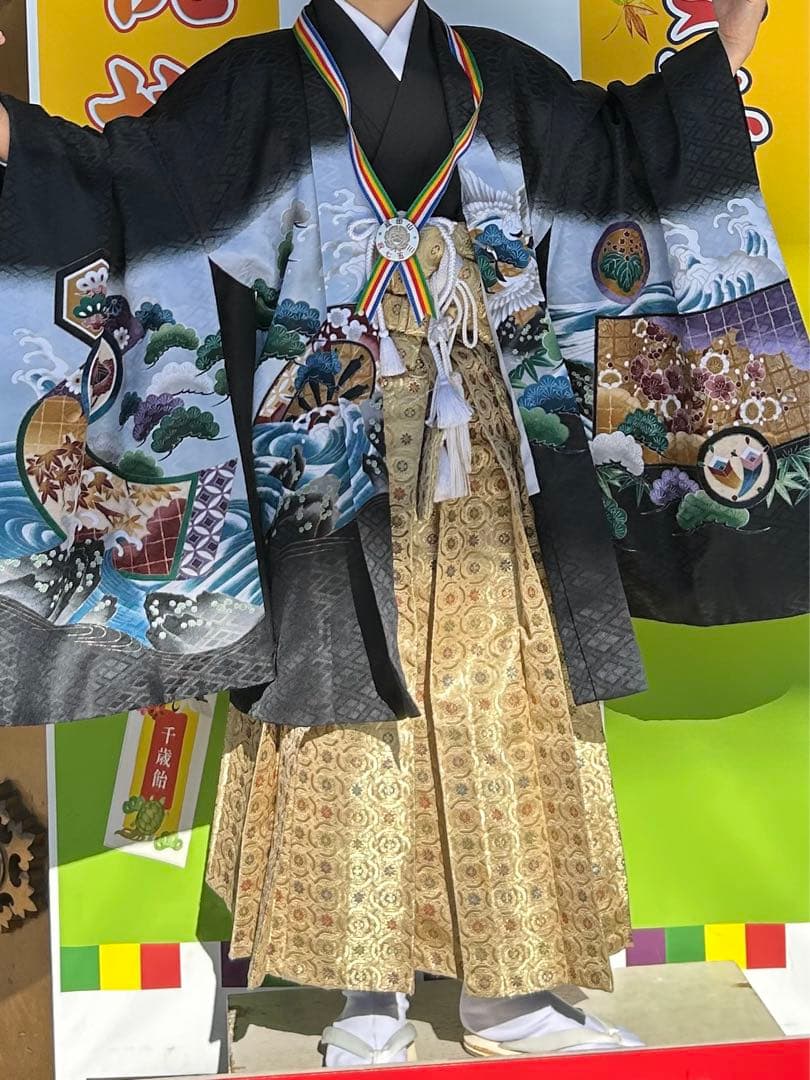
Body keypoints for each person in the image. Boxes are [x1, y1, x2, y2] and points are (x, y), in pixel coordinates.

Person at [1, 0, 805, 1068]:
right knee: (343, 703)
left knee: (505, 691)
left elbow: (624, 149)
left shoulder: (496, 73)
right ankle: (363, 993)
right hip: (324, 446)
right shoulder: (253, 88)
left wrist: (724, 51)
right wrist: (20, 139)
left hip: (489, 432)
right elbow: (117, 181)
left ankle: (512, 989)